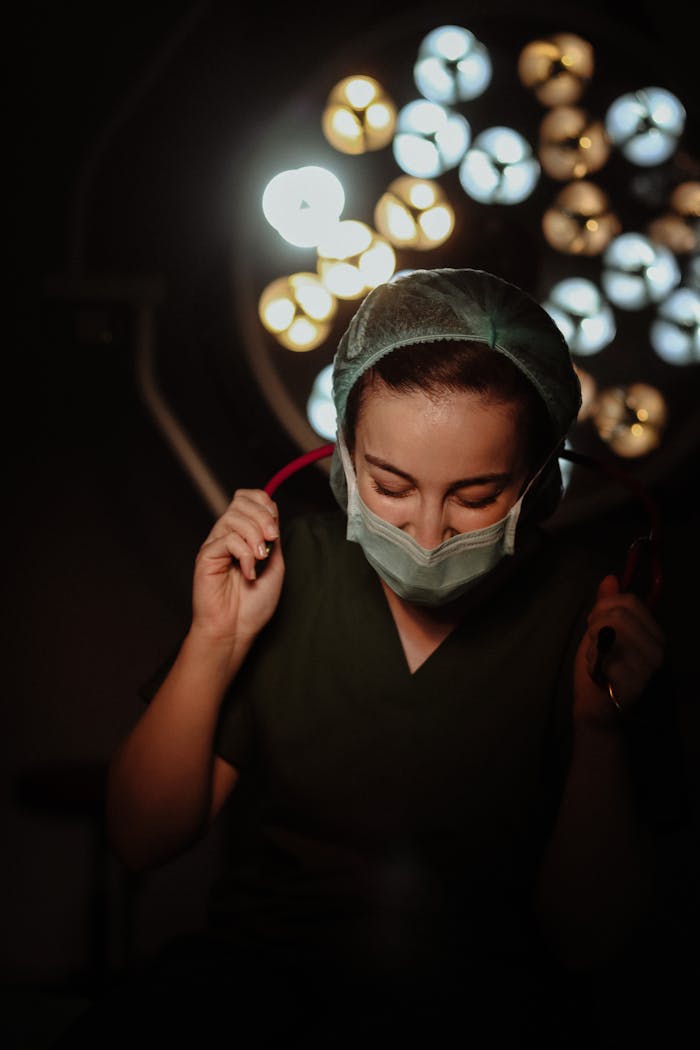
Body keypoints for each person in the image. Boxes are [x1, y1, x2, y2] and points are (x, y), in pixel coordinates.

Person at [57, 268, 687, 1047]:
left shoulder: (585, 616)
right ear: (345, 457)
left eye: (477, 496)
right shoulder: (287, 576)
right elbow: (141, 838)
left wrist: (600, 732)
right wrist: (215, 641)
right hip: (254, 993)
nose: (427, 535)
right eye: (391, 486)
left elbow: (592, 942)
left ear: (538, 479)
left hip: (488, 1014)